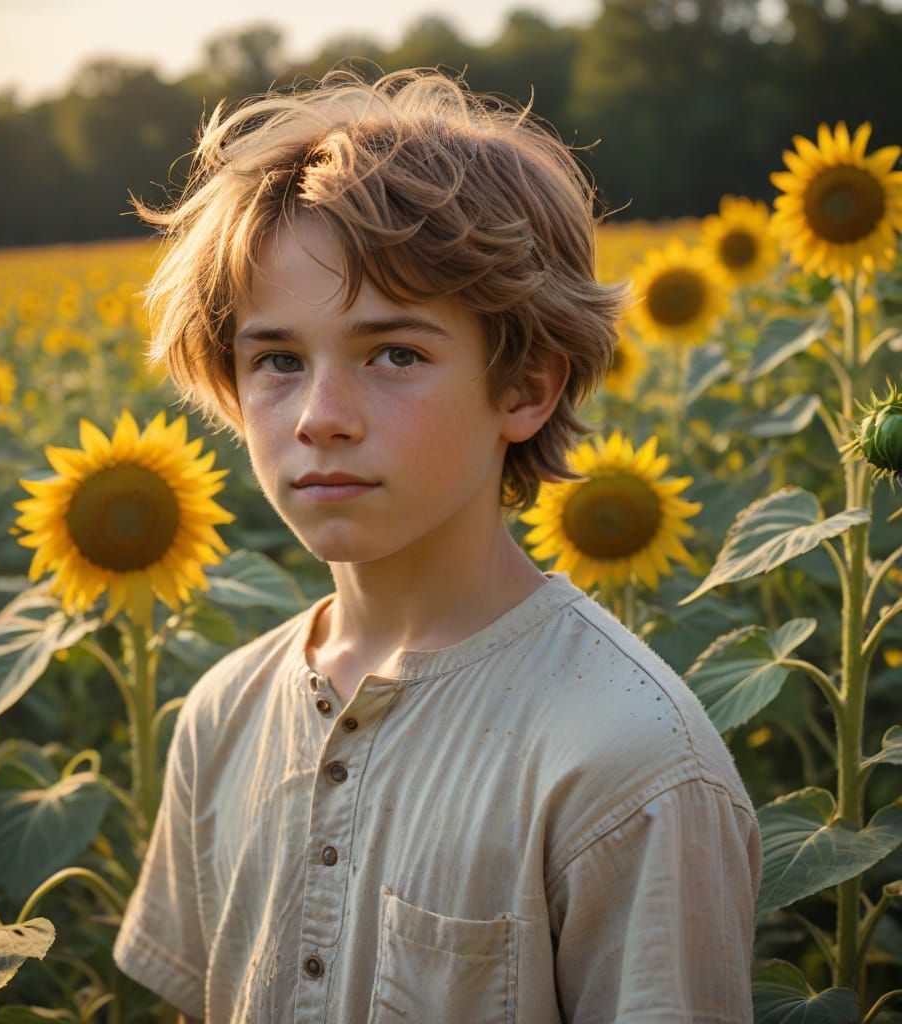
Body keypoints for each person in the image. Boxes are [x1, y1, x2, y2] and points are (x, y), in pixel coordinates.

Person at [112, 63, 762, 1023]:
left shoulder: (628, 763)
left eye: (395, 354)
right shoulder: (222, 714)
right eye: (278, 360)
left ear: (525, 388)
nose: (320, 417)